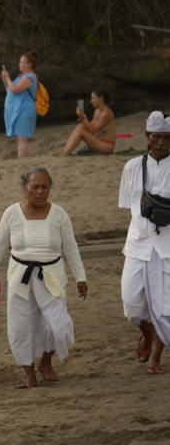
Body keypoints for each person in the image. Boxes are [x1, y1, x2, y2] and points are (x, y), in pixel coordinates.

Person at [0, 167, 88, 388]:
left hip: (52, 276)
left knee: (56, 325)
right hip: (20, 277)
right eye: (35, 187)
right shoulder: (12, 213)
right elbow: (0, 244)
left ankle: (46, 361)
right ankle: (28, 372)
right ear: (25, 189)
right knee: (21, 325)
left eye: (44, 187)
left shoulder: (59, 214)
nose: (40, 192)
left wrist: (81, 277)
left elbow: (71, 247)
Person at [119, 111, 170, 374]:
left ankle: (156, 359)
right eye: (156, 136)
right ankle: (147, 335)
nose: (161, 141)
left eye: (166, 137)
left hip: (167, 249)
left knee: (165, 307)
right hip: (138, 245)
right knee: (132, 306)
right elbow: (129, 207)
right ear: (148, 136)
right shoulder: (132, 167)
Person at [1, 49, 40, 159]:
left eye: (22, 62)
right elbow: (10, 90)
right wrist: (5, 80)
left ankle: (22, 161)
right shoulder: (21, 77)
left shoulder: (30, 77)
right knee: (21, 139)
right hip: (19, 109)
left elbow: (15, 89)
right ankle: (25, 160)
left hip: (24, 110)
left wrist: (8, 78)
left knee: (22, 139)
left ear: (29, 64)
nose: (20, 64)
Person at [60, 89, 116, 155]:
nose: (91, 101)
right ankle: (64, 151)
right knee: (80, 126)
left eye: (93, 98)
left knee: (80, 131)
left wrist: (83, 117)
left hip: (106, 145)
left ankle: (65, 153)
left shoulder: (106, 113)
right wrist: (82, 118)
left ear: (101, 98)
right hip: (97, 141)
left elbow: (93, 130)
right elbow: (90, 126)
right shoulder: (97, 111)